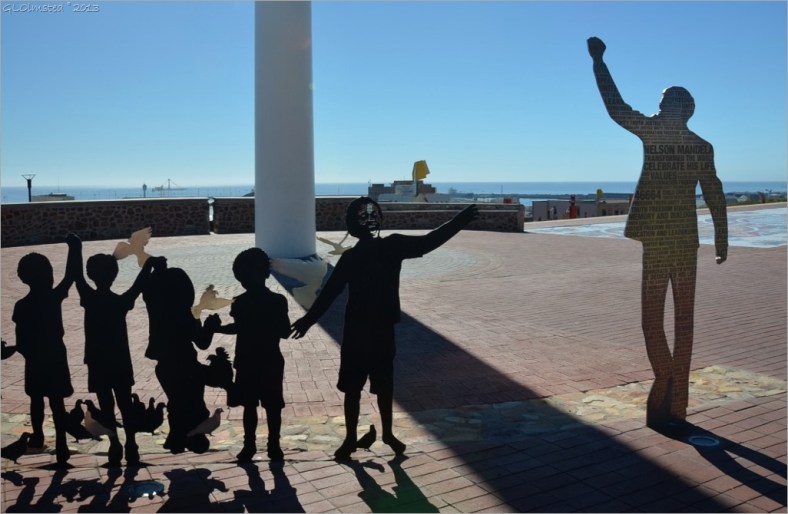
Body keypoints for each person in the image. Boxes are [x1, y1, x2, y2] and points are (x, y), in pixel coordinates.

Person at [587, 36, 728, 430]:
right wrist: (721, 236)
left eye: (665, 104)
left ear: (679, 111)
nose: (659, 108)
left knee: (662, 320)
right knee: (678, 321)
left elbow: (616, 107)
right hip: (674, 236)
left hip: (670, 237)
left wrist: (598, 61)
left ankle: (671, 388)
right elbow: (714, 190)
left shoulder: (668, 136)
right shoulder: (691, 142)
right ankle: (671, 387)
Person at [290, 197, 478, 459]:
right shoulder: (390, 246)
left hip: (359, 329)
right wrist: (460, 221)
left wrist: (308, 320)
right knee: (380, 385)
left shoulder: (353, 257)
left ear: (350, 227)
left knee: (356, 388)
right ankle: (383, 434)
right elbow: (430, 240)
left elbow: (328, 294)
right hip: (377, 328)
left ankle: (354, 439)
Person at [66, 233, 157, 466]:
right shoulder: (119, 302)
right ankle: (132, 445)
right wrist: (147, 267)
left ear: (92, 275)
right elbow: (137, 287)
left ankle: (115, 444)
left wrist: (75, 248)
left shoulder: (89, 298)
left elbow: (75, 276)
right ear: (114, 275)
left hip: (97, 361)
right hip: (119, 360)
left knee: (106, 405)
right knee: (125, 403)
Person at [213, 248, 290, 463]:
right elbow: (284, 332)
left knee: (250, 405)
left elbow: (237, 328)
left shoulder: (241, 303)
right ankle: (273, 445)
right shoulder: (277, 301)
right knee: (272, 406)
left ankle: (250, 445)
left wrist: (217, 329)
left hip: (248, 360)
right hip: (270, 360)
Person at [142, 258, 221, 454]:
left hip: (166, 367)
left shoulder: (157, 313)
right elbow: (202, 343)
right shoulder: (187, 315)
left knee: (176, 402)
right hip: (188, 367)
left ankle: (177, 437)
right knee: (193, 403)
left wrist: (153, 269)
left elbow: (146, 290)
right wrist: (211, 327)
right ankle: (186, 436)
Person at [12, 242, 78, 466]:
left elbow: (21, 343)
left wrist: (11, 350)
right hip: (55, 357)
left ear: (24, 278)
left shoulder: (21, 306)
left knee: (36, 399)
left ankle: (38, 434)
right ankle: (61, 443)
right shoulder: (53, 297)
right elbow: (71, 275)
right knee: (57, 402)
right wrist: (75, 249)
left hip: (35, 361)